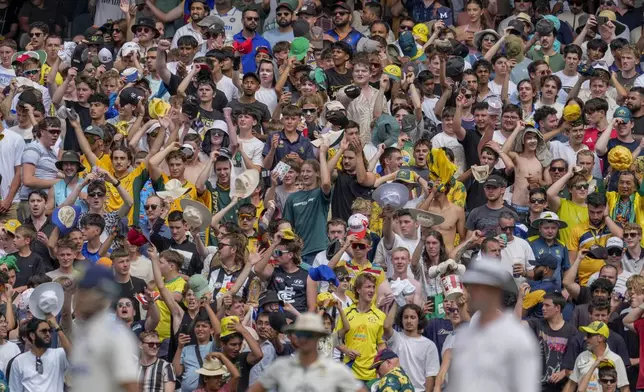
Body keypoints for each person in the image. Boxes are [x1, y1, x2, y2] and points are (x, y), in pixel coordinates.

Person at [449, 259, 541, 392]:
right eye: (471, 287)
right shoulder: (465, 334)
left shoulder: (517, 338)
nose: (471, 292)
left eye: (478, 288)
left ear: (494, 291)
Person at [249, 312, 366, 392]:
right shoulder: (281, 367)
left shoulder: (336, 370)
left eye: (310, 335)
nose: (304, 339)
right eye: (301, 334)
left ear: (319, 337)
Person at [70, 264, 139, 392]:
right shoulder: (84, 330)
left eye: (85, 290)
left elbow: (130, 385)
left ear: (102, 294)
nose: (78, 296)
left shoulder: (115, 334)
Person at [522, 292, 577, 392]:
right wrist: (519, 299)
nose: (543, 308)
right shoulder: (537, 324)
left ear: (557, 308)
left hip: (559, 386)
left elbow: (575, 361)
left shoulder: (571, 332)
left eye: (547, 305)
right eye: (543, 305)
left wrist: (564, 372)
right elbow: (516, 324)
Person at [383, 302, 440, 391]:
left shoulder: (429, 345)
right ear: (401, 320)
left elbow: (431, 376)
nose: (409, 321)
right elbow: (386, 326)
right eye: (405, 317)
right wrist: (395, 301)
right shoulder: (395, 337)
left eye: (412, 317)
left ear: (419, 320)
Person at [562, 321, 630, 392]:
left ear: (600, 337)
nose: (585, 338)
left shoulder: (616, 359)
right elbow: (571, 384)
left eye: (589, 335)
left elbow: (624, 389)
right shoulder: (581, 357)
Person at [8, 315, 71, 392]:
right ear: (32, 335)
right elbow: (15, 389)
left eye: (49, 331)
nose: (48, 334)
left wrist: (57, 327)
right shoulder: (19, 361)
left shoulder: (59, 354)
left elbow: (74, 356)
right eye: (44, 331)